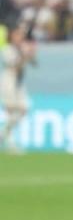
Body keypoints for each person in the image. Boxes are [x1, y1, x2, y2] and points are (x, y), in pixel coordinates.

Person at [0, 25, 37, 154]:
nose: (20, 37)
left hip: (19, 82)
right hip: (9, 80)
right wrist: (24, 55)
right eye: (17, 35)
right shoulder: (7, 49)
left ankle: (3, 135)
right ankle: (10, 144)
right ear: (11, 36)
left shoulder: (22, 48)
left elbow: (34, 63)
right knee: (11, 110)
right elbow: (15, 65)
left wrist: (31, 52)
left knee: (24, 108)